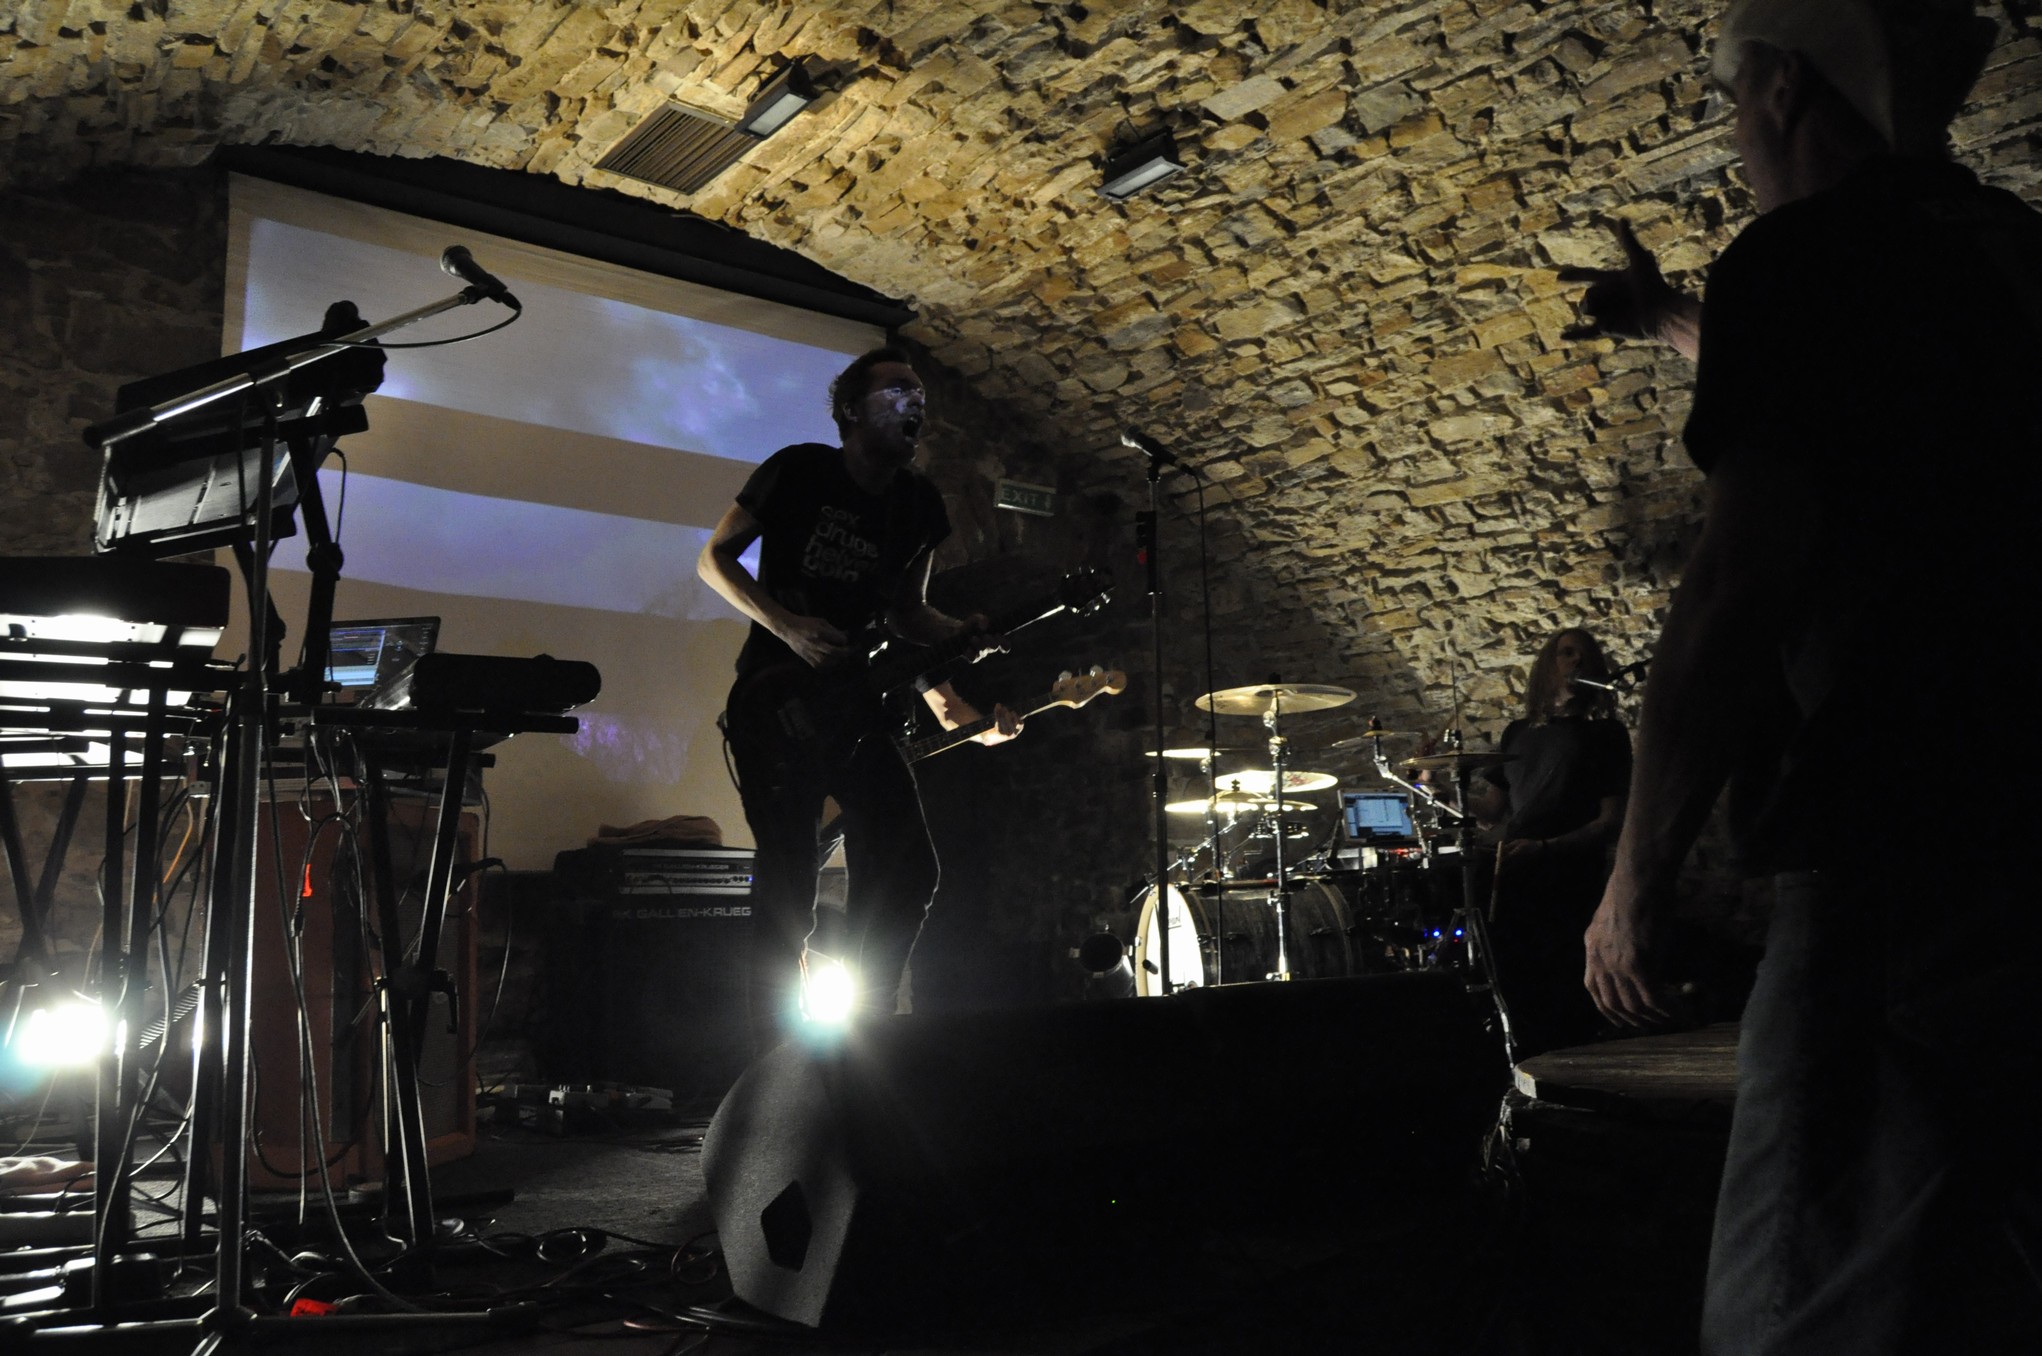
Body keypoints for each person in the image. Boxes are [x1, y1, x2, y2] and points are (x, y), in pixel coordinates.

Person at [1572, 1, 2042, 1350]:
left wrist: (1633, 881)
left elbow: (1738, 582)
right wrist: (1673, 319)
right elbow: (1881, 394)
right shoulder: (2006, 250)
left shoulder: (1800, 258)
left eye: (1734, 97)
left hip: (1901, 858)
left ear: (1780, 85)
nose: (1735, 126)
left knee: (1801, 1295)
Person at [697, 347, 1019, 1043]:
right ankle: (770, 1058)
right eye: (898, 389)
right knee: (789, 884)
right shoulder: (799, 470)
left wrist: (960, 632)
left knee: (910, 868)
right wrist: (788, 627)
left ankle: (870, 1028)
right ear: (851, 409)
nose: (915, 402)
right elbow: (712, 559)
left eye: (920, 394)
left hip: (857, 704)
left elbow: (910, 613)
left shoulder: (919, 505)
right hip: (775, 700)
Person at [1475, 627, 1631, 1059]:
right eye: (1566, 653)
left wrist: (1548, 848)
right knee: (1519, 982)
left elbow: (1610, 822)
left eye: (1584, 656)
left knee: (1565, 984)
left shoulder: (1605, 734)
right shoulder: (1517, 732)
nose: (1576, 662)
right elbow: (1490, 812)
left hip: (1570, 876)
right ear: (1548, 664)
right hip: (1516, 873)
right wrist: (1433, 785)